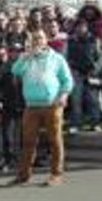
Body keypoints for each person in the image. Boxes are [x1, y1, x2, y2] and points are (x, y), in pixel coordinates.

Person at [10, 29, 73, 186]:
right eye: (34, 38)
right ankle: (24, 175)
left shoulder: (56, 58)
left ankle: (56, 174)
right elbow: (15, 71)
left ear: (46, 40)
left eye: (40, 38)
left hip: (52, 105)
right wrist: (26, 56)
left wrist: (64, 96)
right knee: (28, 141)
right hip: (31, 106)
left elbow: (67, 80)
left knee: (55, 140)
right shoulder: (27, 58)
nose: (37, 41)